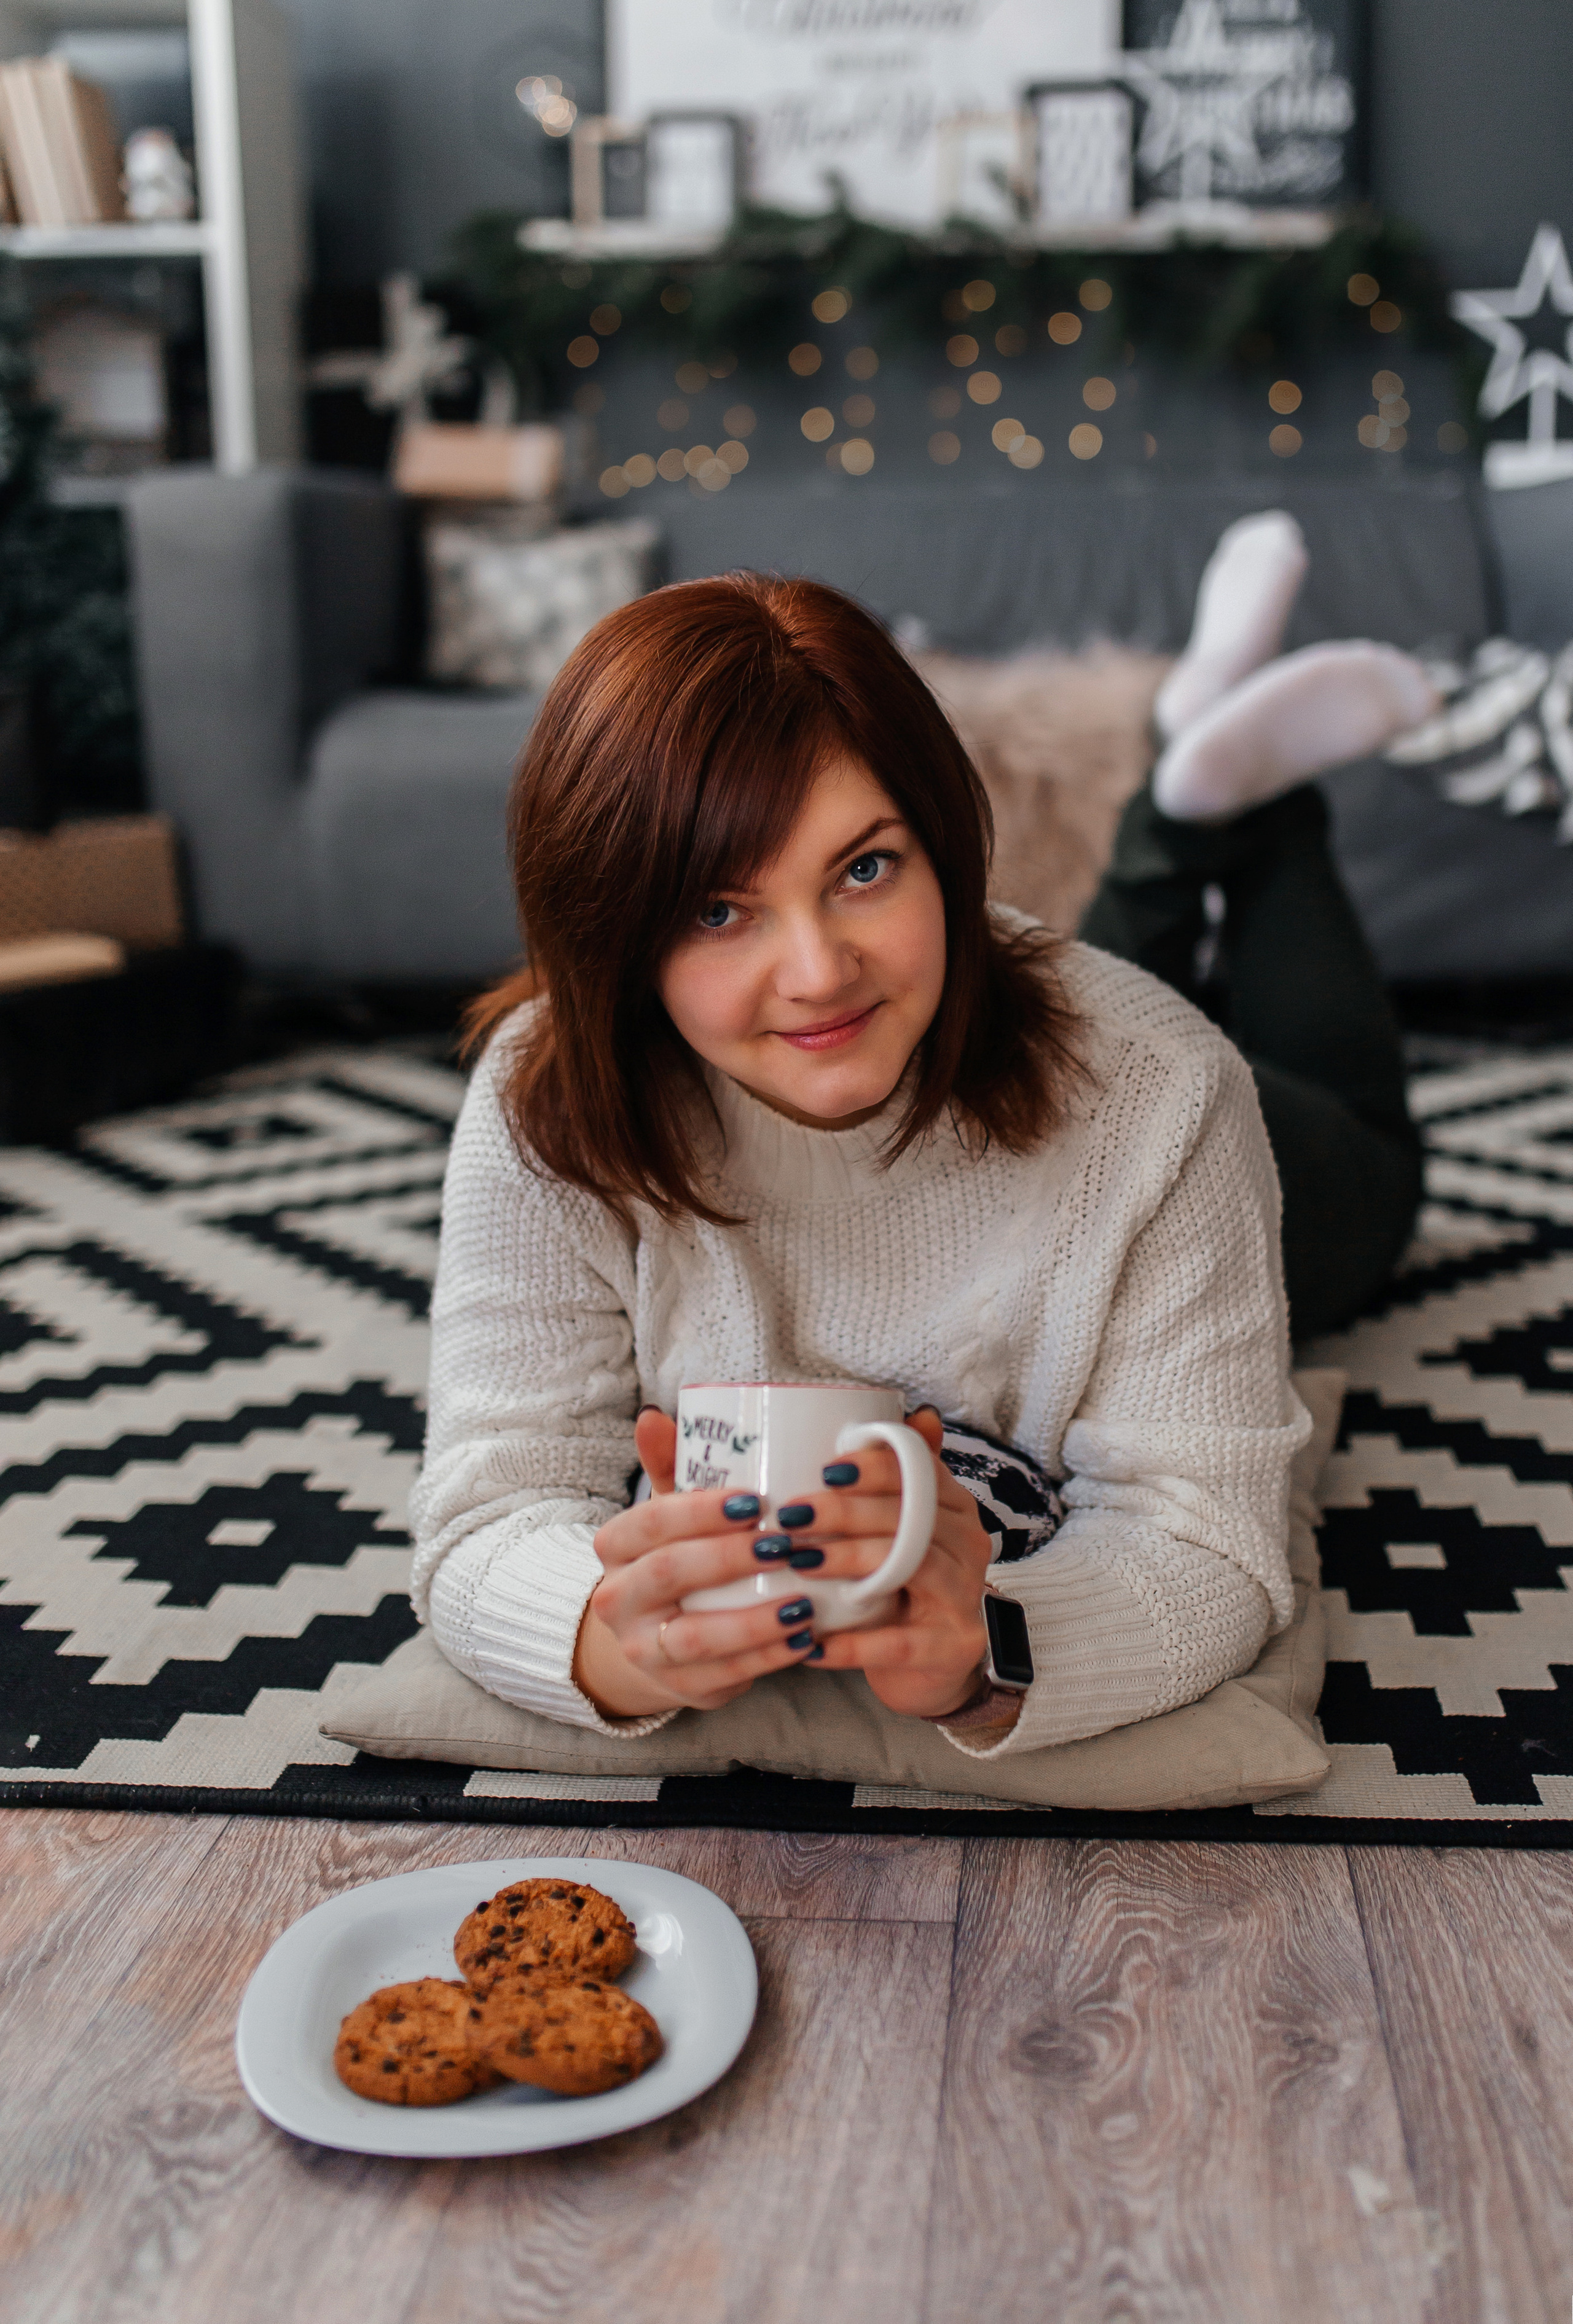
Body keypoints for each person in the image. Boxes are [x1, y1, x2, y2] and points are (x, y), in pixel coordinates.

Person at [410, 523, 1437, 1758]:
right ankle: (1183, 788)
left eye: (865, 867)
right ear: (613, 937)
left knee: (1362, 1142)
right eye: (718, 906)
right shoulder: (548, 1100)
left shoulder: (1166, 1095)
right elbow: (487, 1513)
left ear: (945, 849)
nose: (814, 971)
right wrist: (613, 1641)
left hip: (1284, 1169)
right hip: (1011, 1026)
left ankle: (1237, 804)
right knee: (1054, 986)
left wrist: (989, 1651)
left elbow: (1208, 1536)